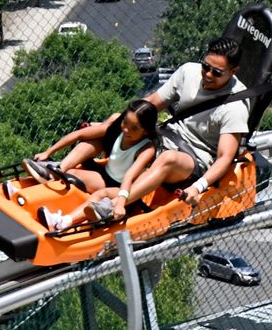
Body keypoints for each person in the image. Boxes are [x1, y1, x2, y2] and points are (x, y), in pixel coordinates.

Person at [45, 31, 253, 232]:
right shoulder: (189, 71)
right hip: (166, 135)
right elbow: (152, 103)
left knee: (168, 158)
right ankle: (57, 169)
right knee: (117, 122)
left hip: (193, 158)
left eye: (216, 72)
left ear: (233, 71)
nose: (207, 75)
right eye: (205, 67)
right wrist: (115, 123)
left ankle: (116, 203)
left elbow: (225, 157)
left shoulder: (235, 106)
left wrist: (198, 187)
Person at [35, 101, 155, 198]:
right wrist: (47, 152)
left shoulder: (146, 149)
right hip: (106, 172)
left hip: (118, 186)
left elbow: (129, 176)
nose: (126, 130)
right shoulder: (117, 129)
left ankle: (55, 179)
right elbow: (79, 135)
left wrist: (121, 201)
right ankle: (57, 169)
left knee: (71, 175)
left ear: (146, 131)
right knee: (93, 141)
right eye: (125, 122)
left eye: (134, 128)